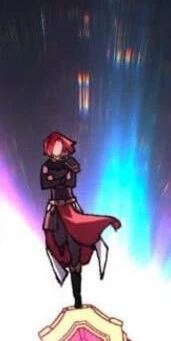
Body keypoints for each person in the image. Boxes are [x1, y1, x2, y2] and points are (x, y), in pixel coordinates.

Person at [40, 131, 121, 308]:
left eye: (60, 146)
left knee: (78, 246)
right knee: (52, 241)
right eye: (55, 146)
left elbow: (71, 182)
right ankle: (69, 280)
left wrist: (57, 178)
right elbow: (45, 183)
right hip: (55, 210)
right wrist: (61, 178)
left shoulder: (70, 163)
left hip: (70, 208)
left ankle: (78, 300)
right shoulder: (47, 166)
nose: (57, 149)